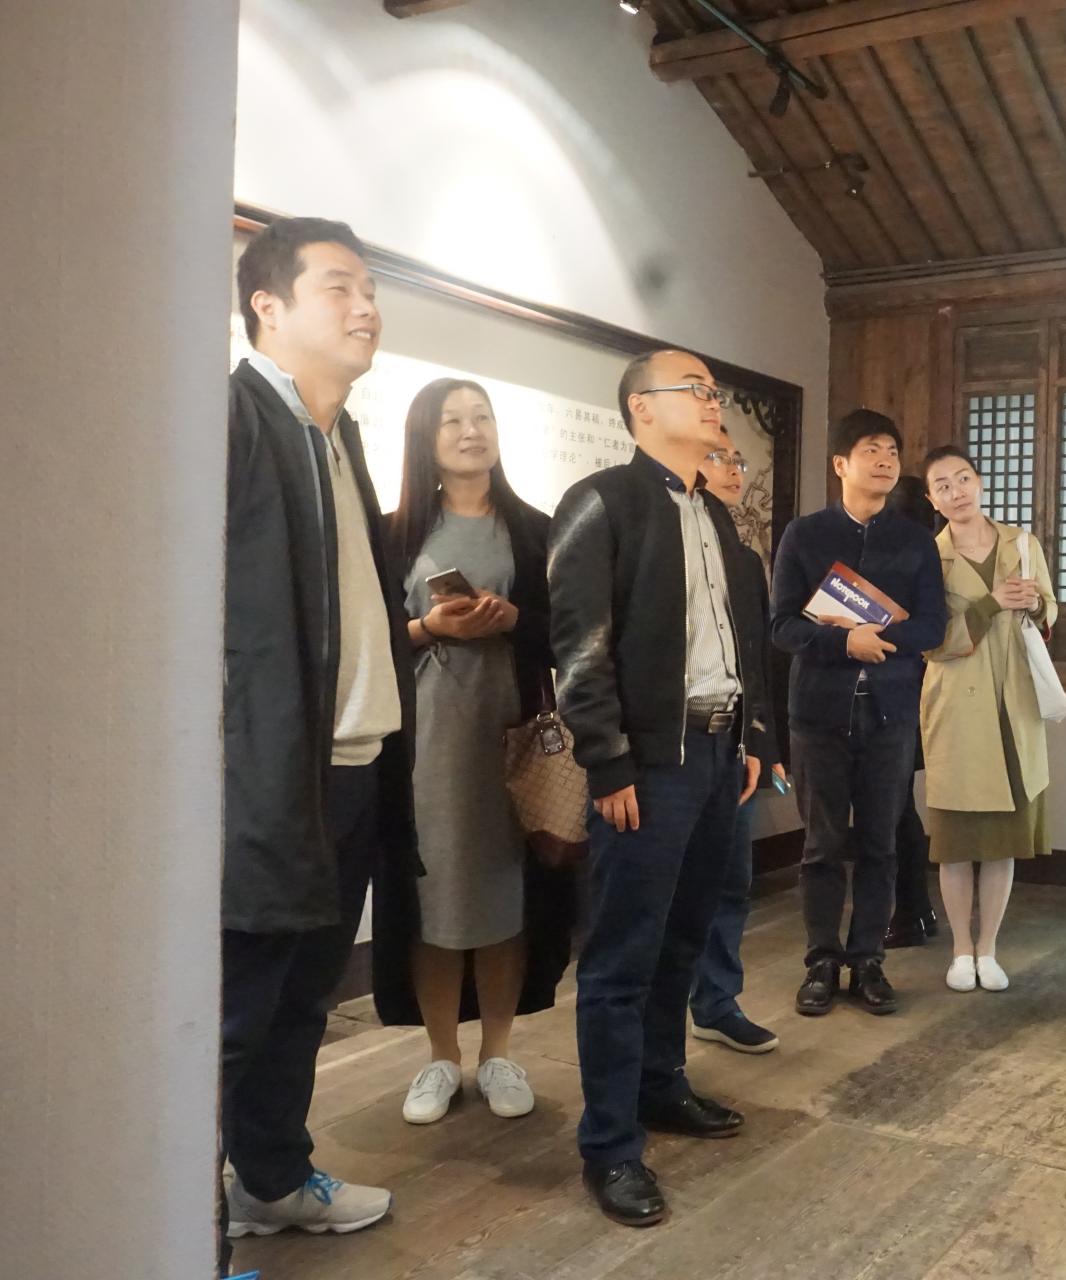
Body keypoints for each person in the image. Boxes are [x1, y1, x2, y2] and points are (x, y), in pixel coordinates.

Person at [549, 349, 778, 1228]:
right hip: (649, 763)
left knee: (684, 938)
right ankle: (610, 1144)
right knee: (621, 957)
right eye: (699, 390)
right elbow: (579, 646)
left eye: (717, 392)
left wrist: (753, 736)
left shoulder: (715, 514)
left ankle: (660, 1085)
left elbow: (741, 642)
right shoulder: (603, 500)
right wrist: (606, 760)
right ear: (642, 408)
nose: (715, 403)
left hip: (719, 754)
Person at [221, 216, 411, 1239]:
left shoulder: (336, 436)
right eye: (339, 286)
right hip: (267, 775)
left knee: (303, 1000)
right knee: (236, 1010)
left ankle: (271, 1181)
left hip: (351, 767)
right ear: (268, 305)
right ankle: (173, 1225)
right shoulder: (235, 420)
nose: (364, 305)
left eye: (369, 288)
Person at [371, 378, 575, 1123]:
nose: (470, 430)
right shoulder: (394, 533)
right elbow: (366, 639)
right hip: (424, 744)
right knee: (432, 898)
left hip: (512, 740)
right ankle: (439, 1058)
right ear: (425, 439)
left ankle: (497, 1053)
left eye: (481, 416)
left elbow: (571, 634)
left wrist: (513, 617)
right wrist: (430, 628)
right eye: (452, 420)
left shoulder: (536, 529)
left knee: (505, 891)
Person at [770, 410, 947, 1017]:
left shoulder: (915, 540)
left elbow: (932, 626)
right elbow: (782, 625)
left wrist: (880, 637)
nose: (886, 460)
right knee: (822, 844)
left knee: (880, 842)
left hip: (892, 713)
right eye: (872, 450)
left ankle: (868, 959)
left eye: (892, 451)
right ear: (841, 464)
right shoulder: (804, 535)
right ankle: (821, 961)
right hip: (819, 713)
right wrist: (845, 643)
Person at [918, 446, 1057, 992]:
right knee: (955, 842)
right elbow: (930, 642)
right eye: (943, 486)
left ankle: (989, 949)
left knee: (1003, 840)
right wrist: (991, 603)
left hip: (1013, 701)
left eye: (963, 479)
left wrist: (1037, 605)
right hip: (956, 705)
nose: (957, 492)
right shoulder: (927, 557)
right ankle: (960, 949)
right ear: (931, 499)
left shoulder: (1022, 544)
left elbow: (1049, 611)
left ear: (979, 482)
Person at [688, 431, 786, 1054]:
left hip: (736, 745)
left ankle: (716, 1002)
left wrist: (766, 745)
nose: (732, 470)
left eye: (737, 460)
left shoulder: (746, 560)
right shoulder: (659, 539)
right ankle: (659, 1023)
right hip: (673, 745)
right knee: (673, 891)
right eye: (717, 457)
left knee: (730, 879)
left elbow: (758, 662)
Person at [883, 474, 939, 950]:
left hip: (899, 693)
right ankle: (918, 910)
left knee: (895, 809)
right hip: (927, 693)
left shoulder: (904, 556)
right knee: (901, 807)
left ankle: (910, 912)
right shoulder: (934, 551)